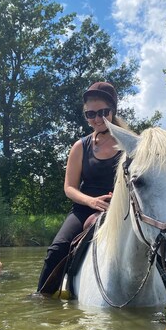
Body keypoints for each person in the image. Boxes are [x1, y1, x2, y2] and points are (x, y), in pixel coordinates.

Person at [37, 81, 128, 292]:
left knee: (158, 245)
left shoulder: (131, 142)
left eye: (103, 112)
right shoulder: (80, 146)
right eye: (91, 114)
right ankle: (42, 297)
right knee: (56, 250)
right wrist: (92, 201)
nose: (97, 119)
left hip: (125, 209)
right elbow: (69, 187)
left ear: (113, 110)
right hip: (85, 208)